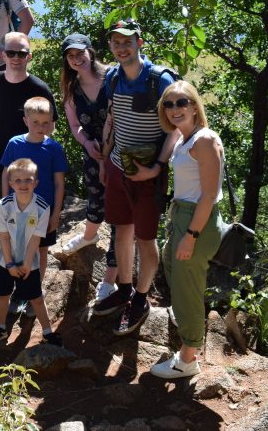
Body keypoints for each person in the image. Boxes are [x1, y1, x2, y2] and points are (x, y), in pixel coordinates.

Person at [92, 19, 179, 337]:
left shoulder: (159, 79)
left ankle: (141, 298)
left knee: (145, 237)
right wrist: (105, 158)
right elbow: (113, 118)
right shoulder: (113, 77)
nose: (121, 46)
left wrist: (157, 166)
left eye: (127, 41)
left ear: (139, 43)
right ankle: (125, 288)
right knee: (121, 230)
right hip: (118, 166)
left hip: (148, 173)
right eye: (116, 42)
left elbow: (176, 126)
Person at [150, 81, 224, 379]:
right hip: (182, 215)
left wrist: (191, 236)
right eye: (168, 104)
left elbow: (209, 195)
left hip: (198, 222)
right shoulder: (183, 139)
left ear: (194, 106)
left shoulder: (204, 140)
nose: (174, 109)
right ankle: (187, 342)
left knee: (187, 290)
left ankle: (189, 358)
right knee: (174, 274)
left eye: (181, 102)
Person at [0, 32, 57, 240]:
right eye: (11, 52)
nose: (16, 57)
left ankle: (14, 265)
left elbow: (49, 127)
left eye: (21, 53)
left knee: (20, 219)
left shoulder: (39, 89)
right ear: (3, 55)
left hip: (23, 167)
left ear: (29, 57)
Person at [56, 34, 120, 301]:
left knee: (118, 214)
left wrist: (106, 153)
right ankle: (89, 236)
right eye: (70, 56)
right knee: (96, 197)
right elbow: (74, 125)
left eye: (80, 53)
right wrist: (85, 142)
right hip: (93, 152)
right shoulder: (72, 89)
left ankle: (110, 279)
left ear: (90, 51)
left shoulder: (113, 78)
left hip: (120, 152)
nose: (76, 59)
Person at [0, 159, 62, 346]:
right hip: (4, 259)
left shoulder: (42, 208)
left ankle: (47, 332)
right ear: (10, 184)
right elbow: (3, 237)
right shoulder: (4, 205)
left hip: (30, 260)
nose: (23, 184)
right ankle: (0, 327)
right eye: (18, 180)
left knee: (35, 297)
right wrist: (10, 264)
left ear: (36, 182)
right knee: (2, 294)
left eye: (28, 180)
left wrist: (27, 263)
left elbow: (36, 239)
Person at [0, 97, 68, 278]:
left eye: (45, 123)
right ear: (25, 120)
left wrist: (56, 214)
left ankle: (35, 288)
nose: (40, 127)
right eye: (35, 122)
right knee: (16, 245)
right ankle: (17, 287)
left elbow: (60, 183)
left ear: (51, 122)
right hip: (17, 206)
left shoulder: (54, 148)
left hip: (44, 209)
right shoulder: (14, 143)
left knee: (41, 250)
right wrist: (6, 202)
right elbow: (6, 174)